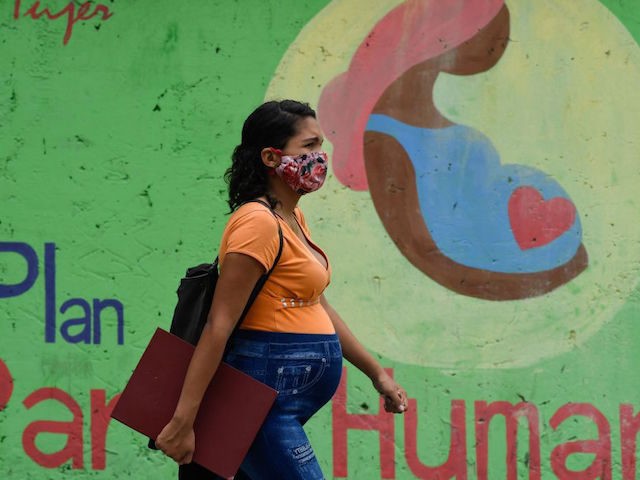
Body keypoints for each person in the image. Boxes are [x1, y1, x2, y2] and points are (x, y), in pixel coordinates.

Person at [155, 99, 407, 479]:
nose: (320, 157)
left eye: (321, 145)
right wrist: (183, 420)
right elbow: (218, 326)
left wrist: (376, 373)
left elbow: (314, 304)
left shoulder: (290, 217)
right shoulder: (256, 223)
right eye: (309, 147)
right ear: (272, 158)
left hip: (276, 401)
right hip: (261, 402)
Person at [318, 0, 586, 300]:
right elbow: (419, 248)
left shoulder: (415, 118)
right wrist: (539, 278)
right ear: (440, 35)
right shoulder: (384, 141)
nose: (501, 43)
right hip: (521, 263)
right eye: (494, 34)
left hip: (536, 249)